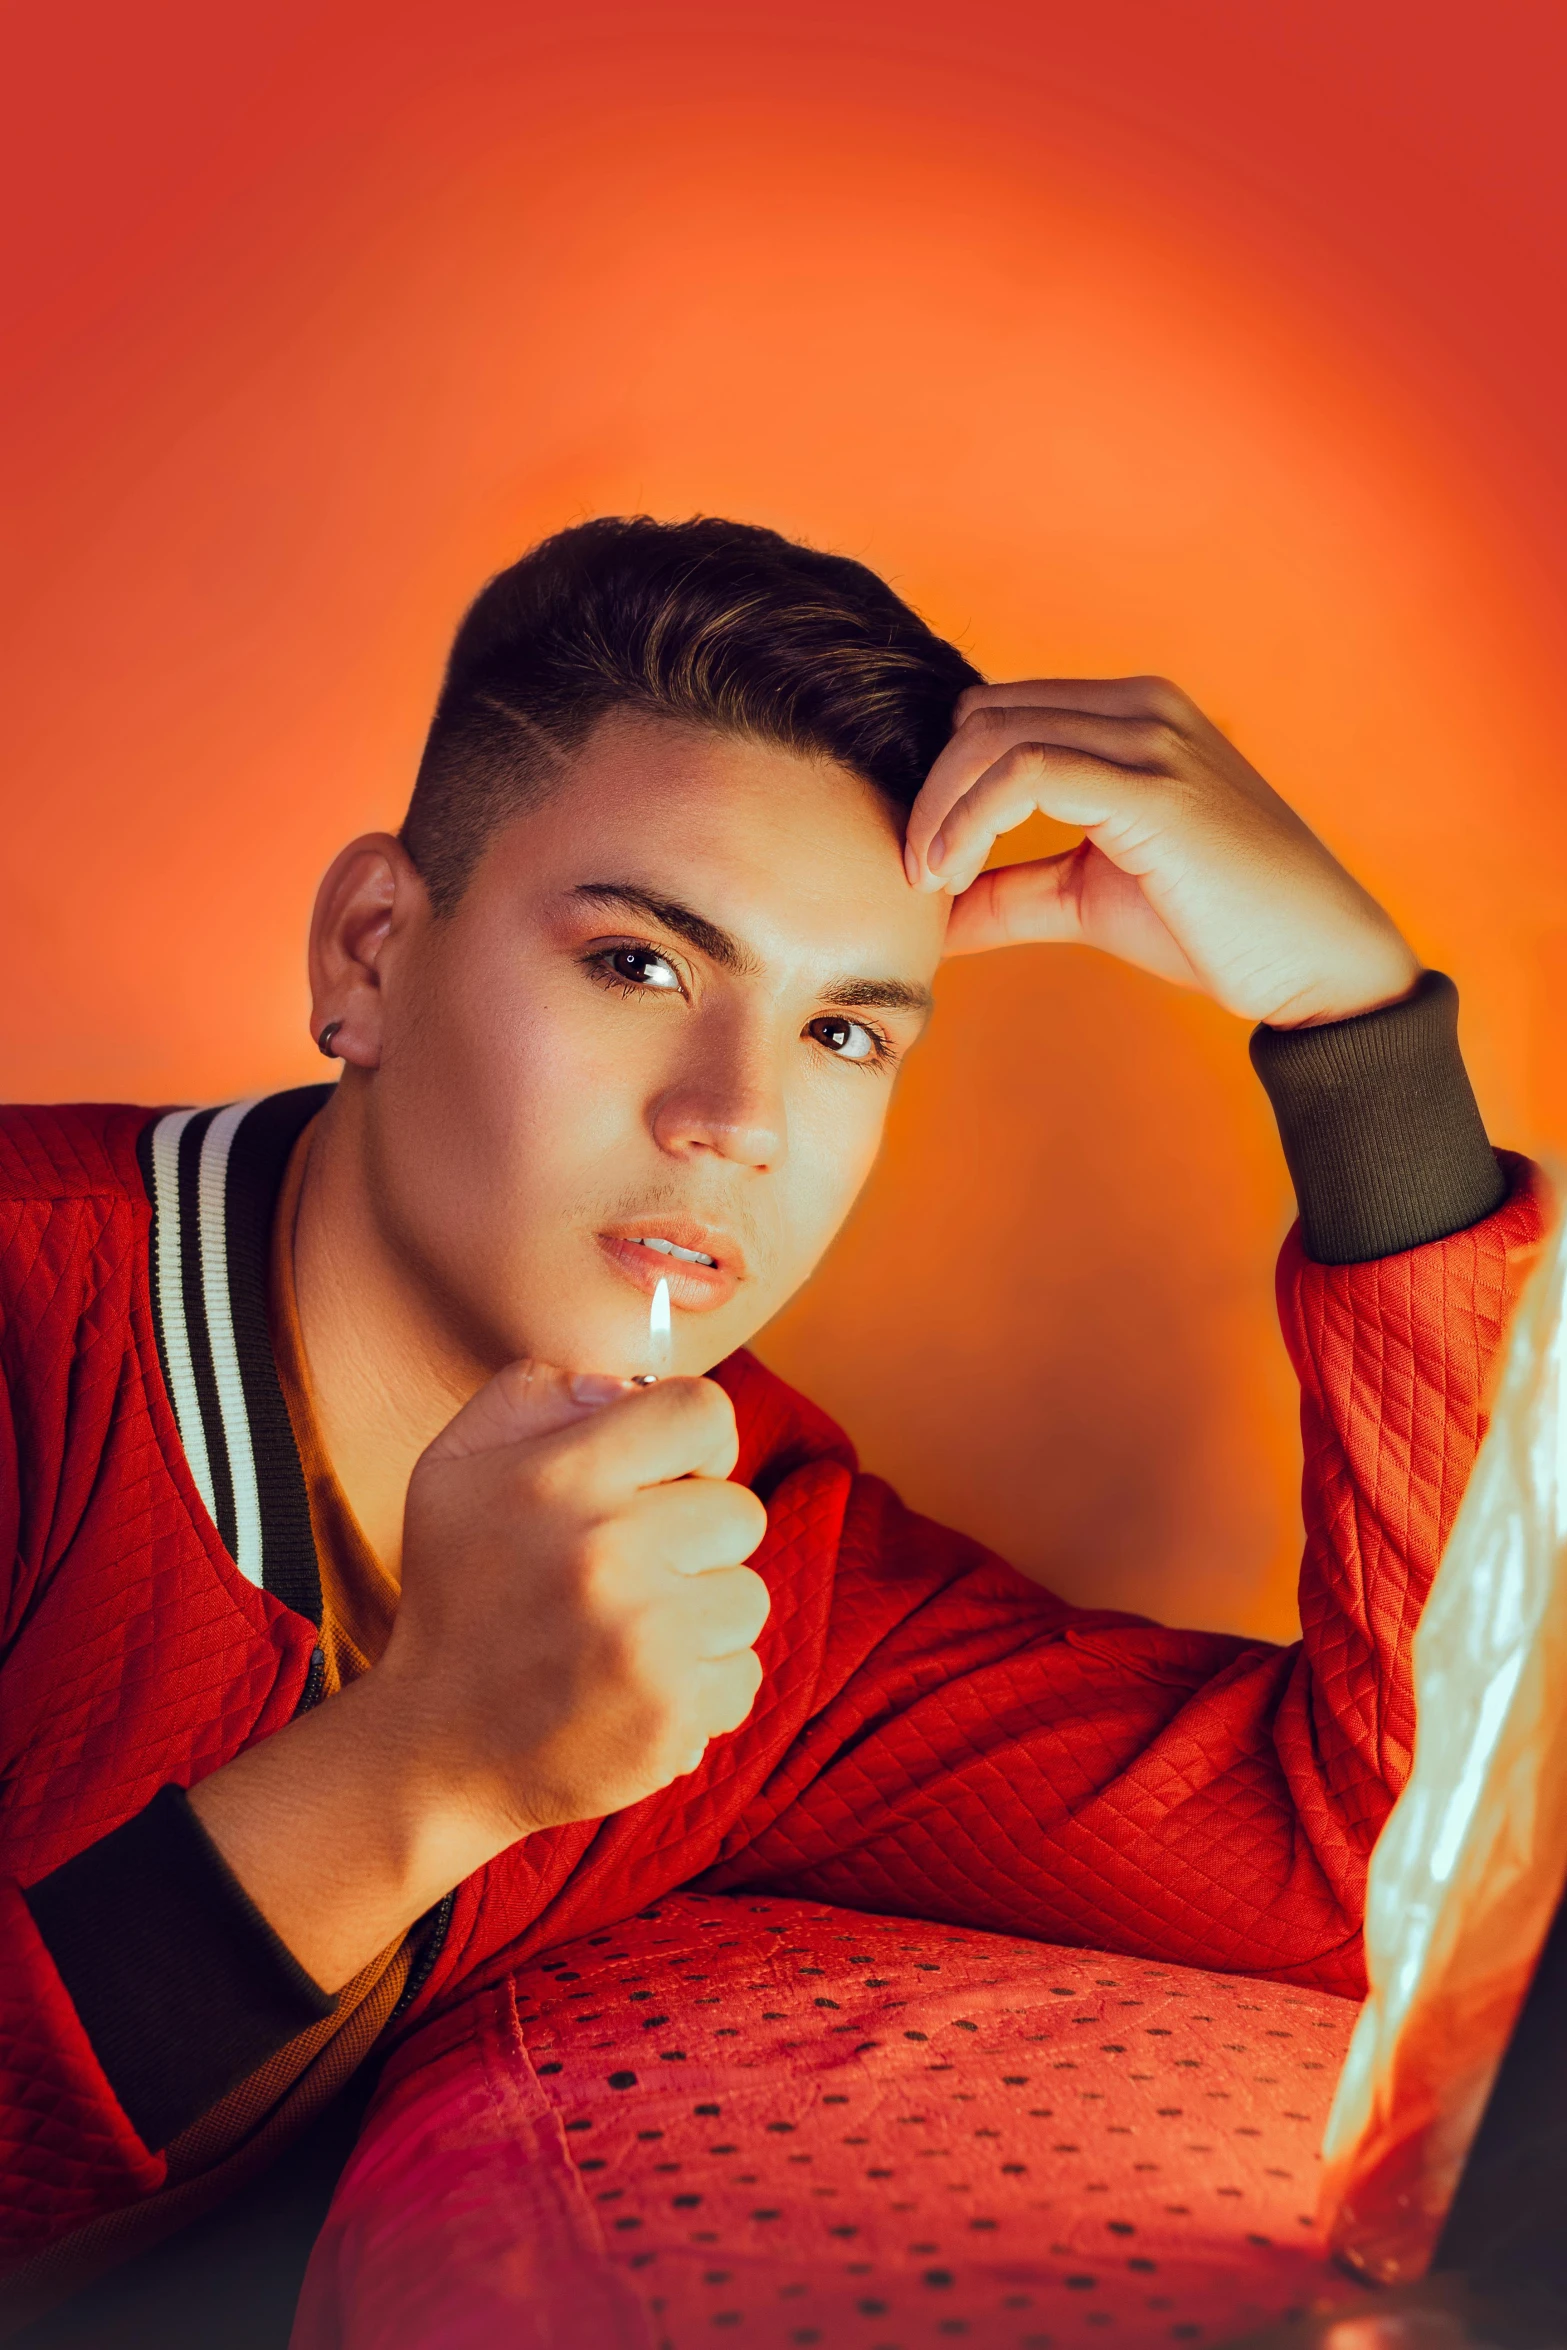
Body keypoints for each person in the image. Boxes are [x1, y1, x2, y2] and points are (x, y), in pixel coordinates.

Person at [0, 515, 1543, 2310]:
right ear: (368, 951)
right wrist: (420, 1763)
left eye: (843, 1036)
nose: (734, 1116)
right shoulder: (42, 1338)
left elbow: (1379, 1866)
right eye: (639, 964)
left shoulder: (757, 1585)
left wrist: (1361, 1043)